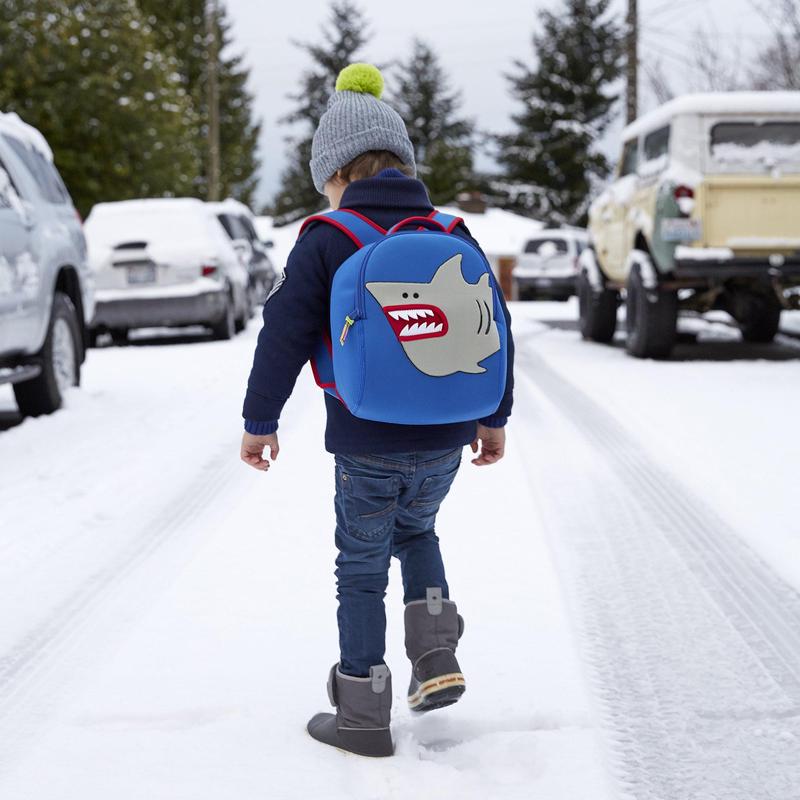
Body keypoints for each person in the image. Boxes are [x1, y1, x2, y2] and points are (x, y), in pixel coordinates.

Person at [240, 63, 514, 758]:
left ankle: (362, 711)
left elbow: (283, 335)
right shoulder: (451, 229)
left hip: (364, 438)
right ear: (402, 162)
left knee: (360, 567)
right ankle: (434, 655)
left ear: (335, 173)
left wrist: (259, 421)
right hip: (448, 432)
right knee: (417, 532)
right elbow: (495, 328)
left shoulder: (328, 237)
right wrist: (494, 416)